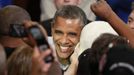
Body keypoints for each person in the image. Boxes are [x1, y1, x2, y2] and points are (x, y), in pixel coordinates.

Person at [51, 5, 87, 74]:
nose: (63, 41)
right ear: (52, 29)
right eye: (59, 33)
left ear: (83, 33)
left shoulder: (88, 59)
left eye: (72, 34)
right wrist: (74, 65)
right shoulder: (38, 54)